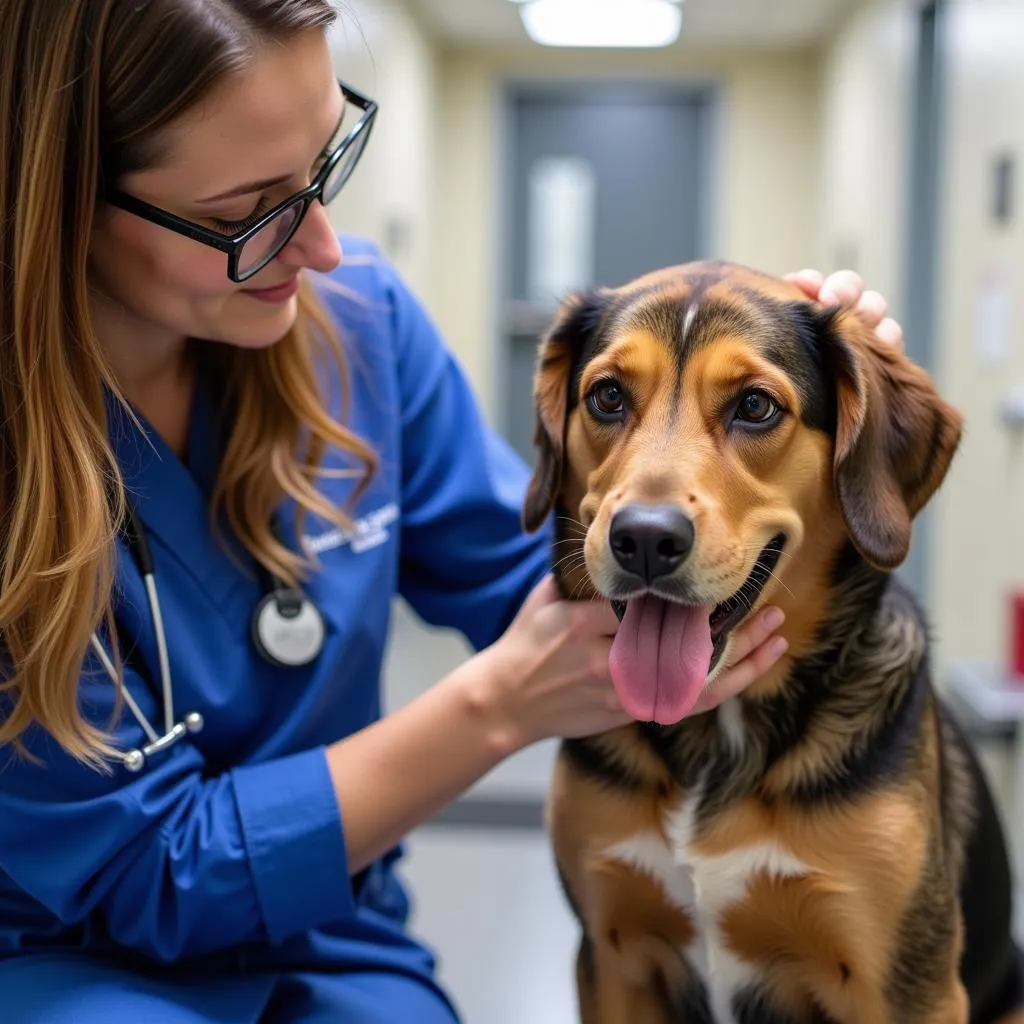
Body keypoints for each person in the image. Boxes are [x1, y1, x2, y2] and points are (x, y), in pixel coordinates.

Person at [0, 1, 902, 1021]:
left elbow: (539, 584)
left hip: (323, 929)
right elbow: (143, 875)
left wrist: (800, 413)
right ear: (67, 203)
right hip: (63, 950)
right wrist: (496, 705)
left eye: (324, 162)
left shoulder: (358, 330)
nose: (325, 249)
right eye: (242, 215)